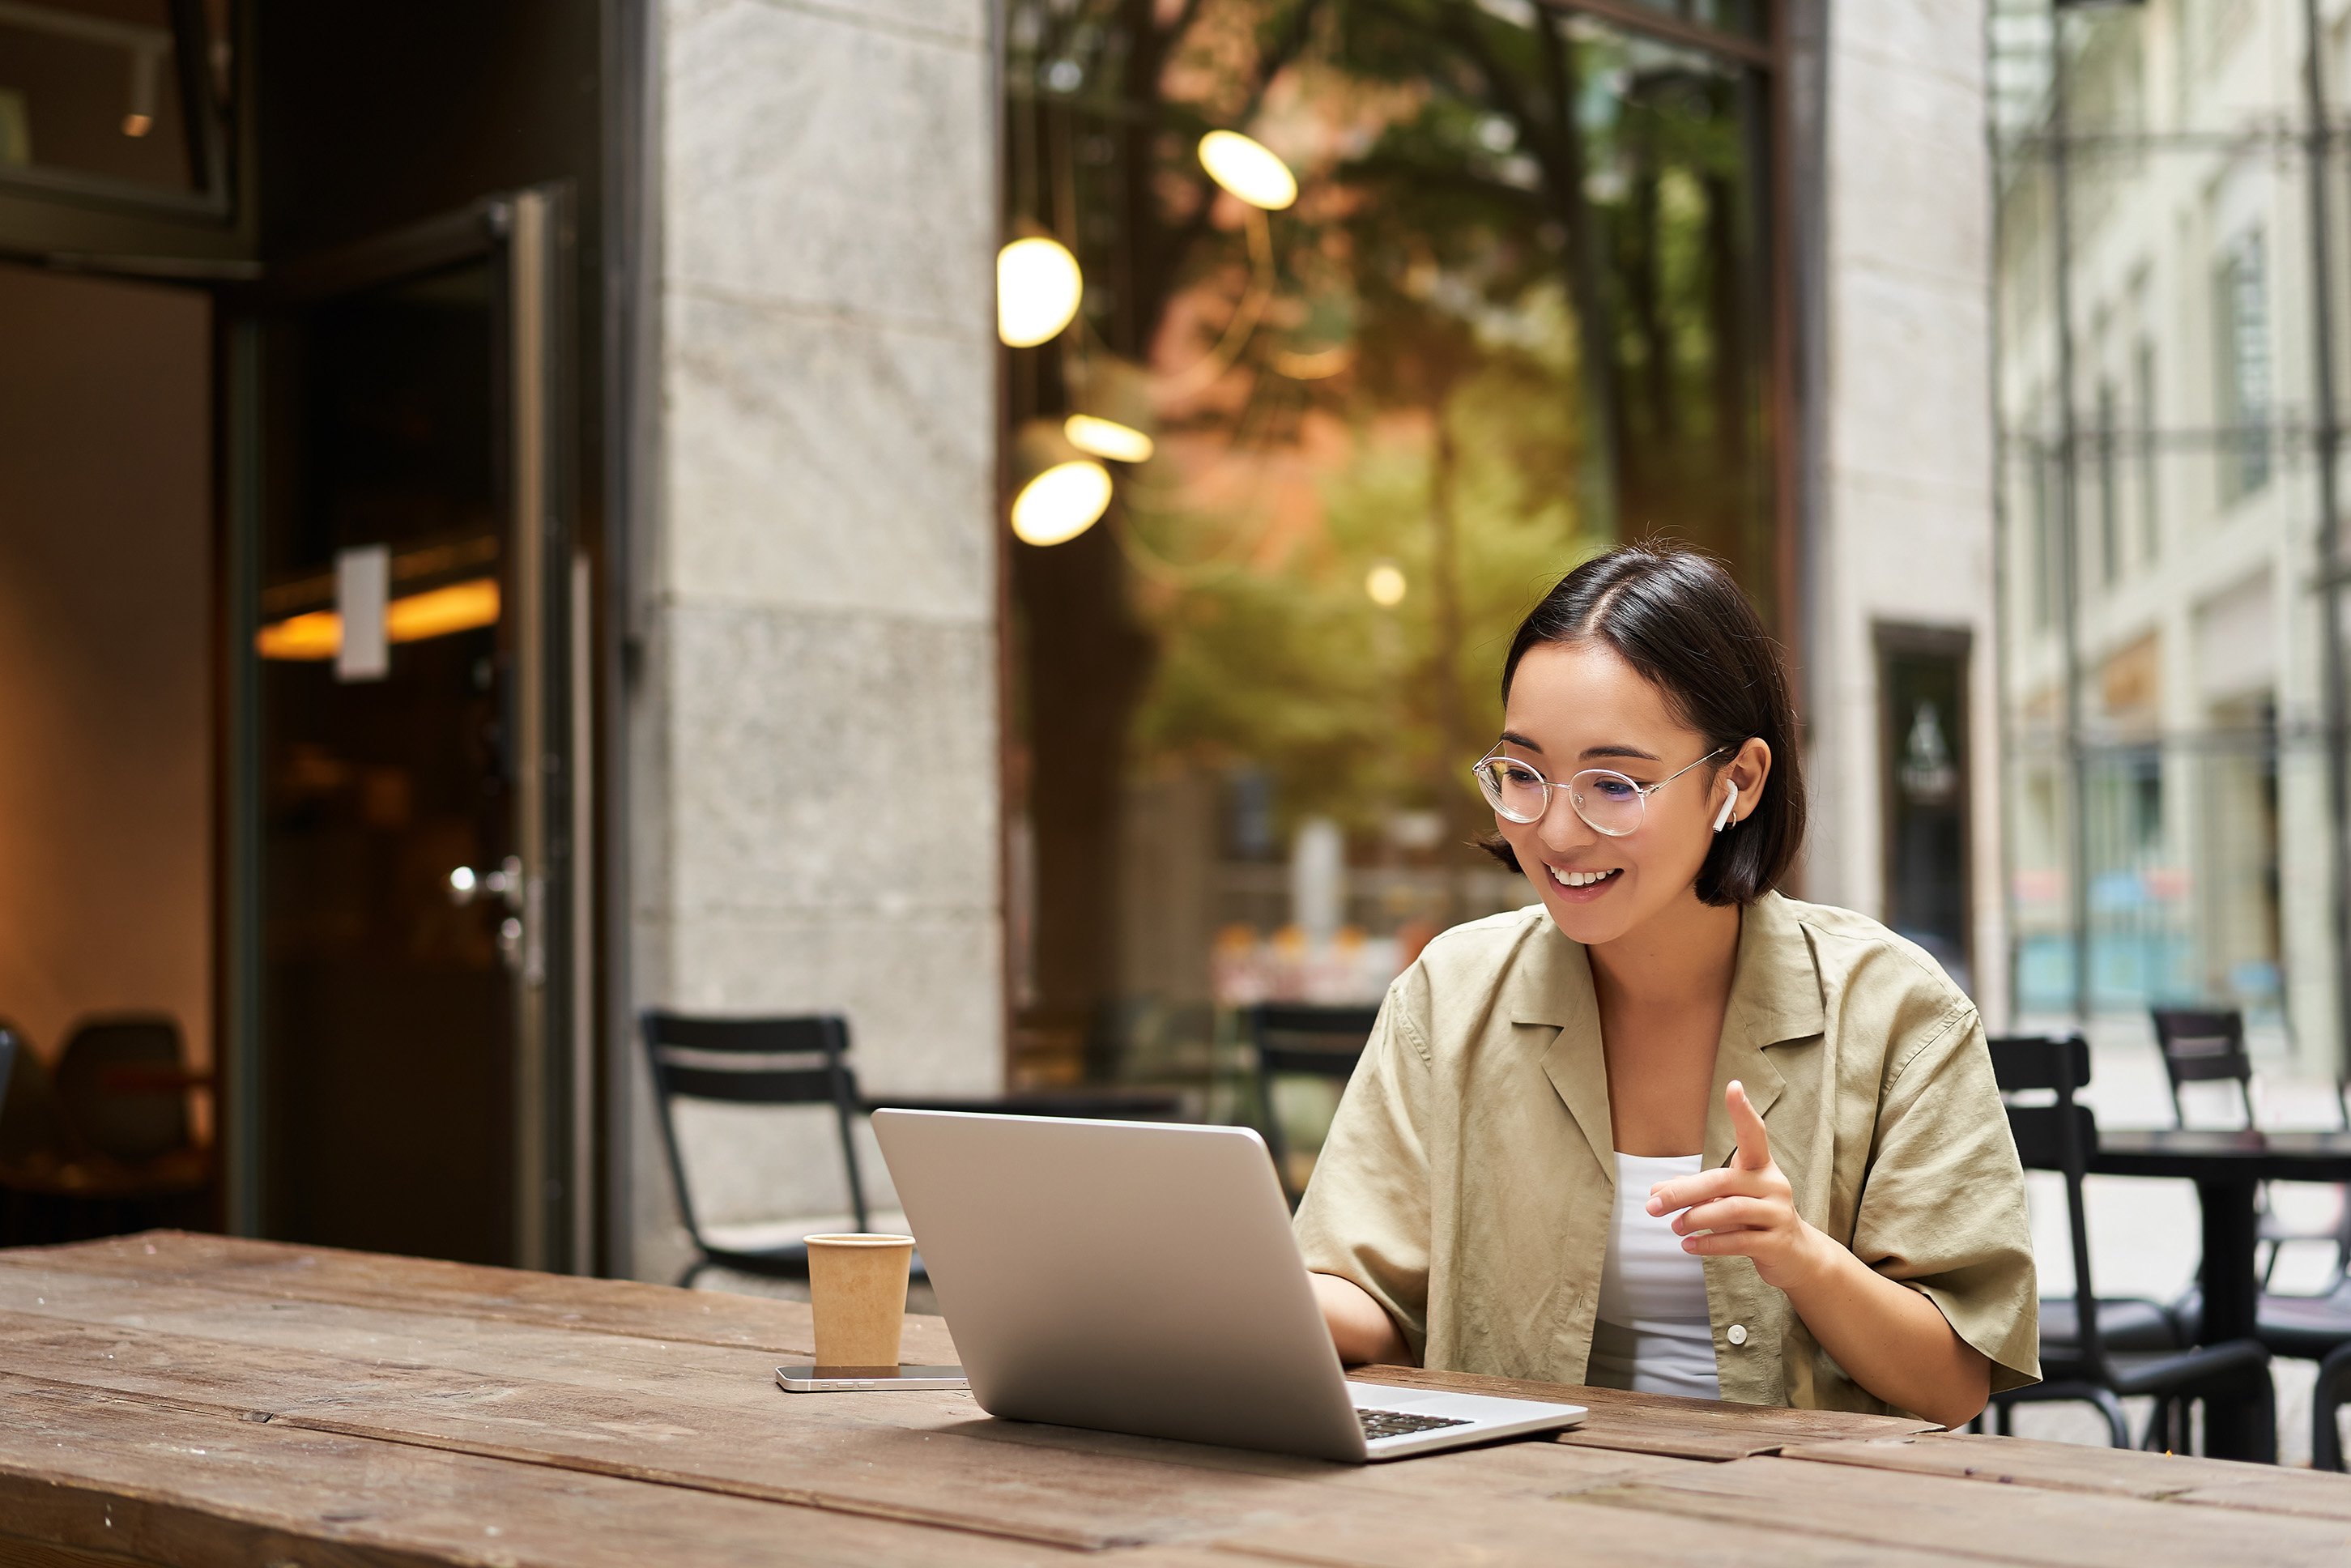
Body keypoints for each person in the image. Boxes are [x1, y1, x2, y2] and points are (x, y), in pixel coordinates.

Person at [1294, 545, 2036, 1426]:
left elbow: (1950, 1385)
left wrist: (1799, 1255)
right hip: (1513, 1514)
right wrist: (1227, 1292)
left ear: (1738, 781)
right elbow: (1371, 1304)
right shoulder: (1449, 996)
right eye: (1522, 774)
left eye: (1613, 783)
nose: (1558, 831)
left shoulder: (1894, 1011)